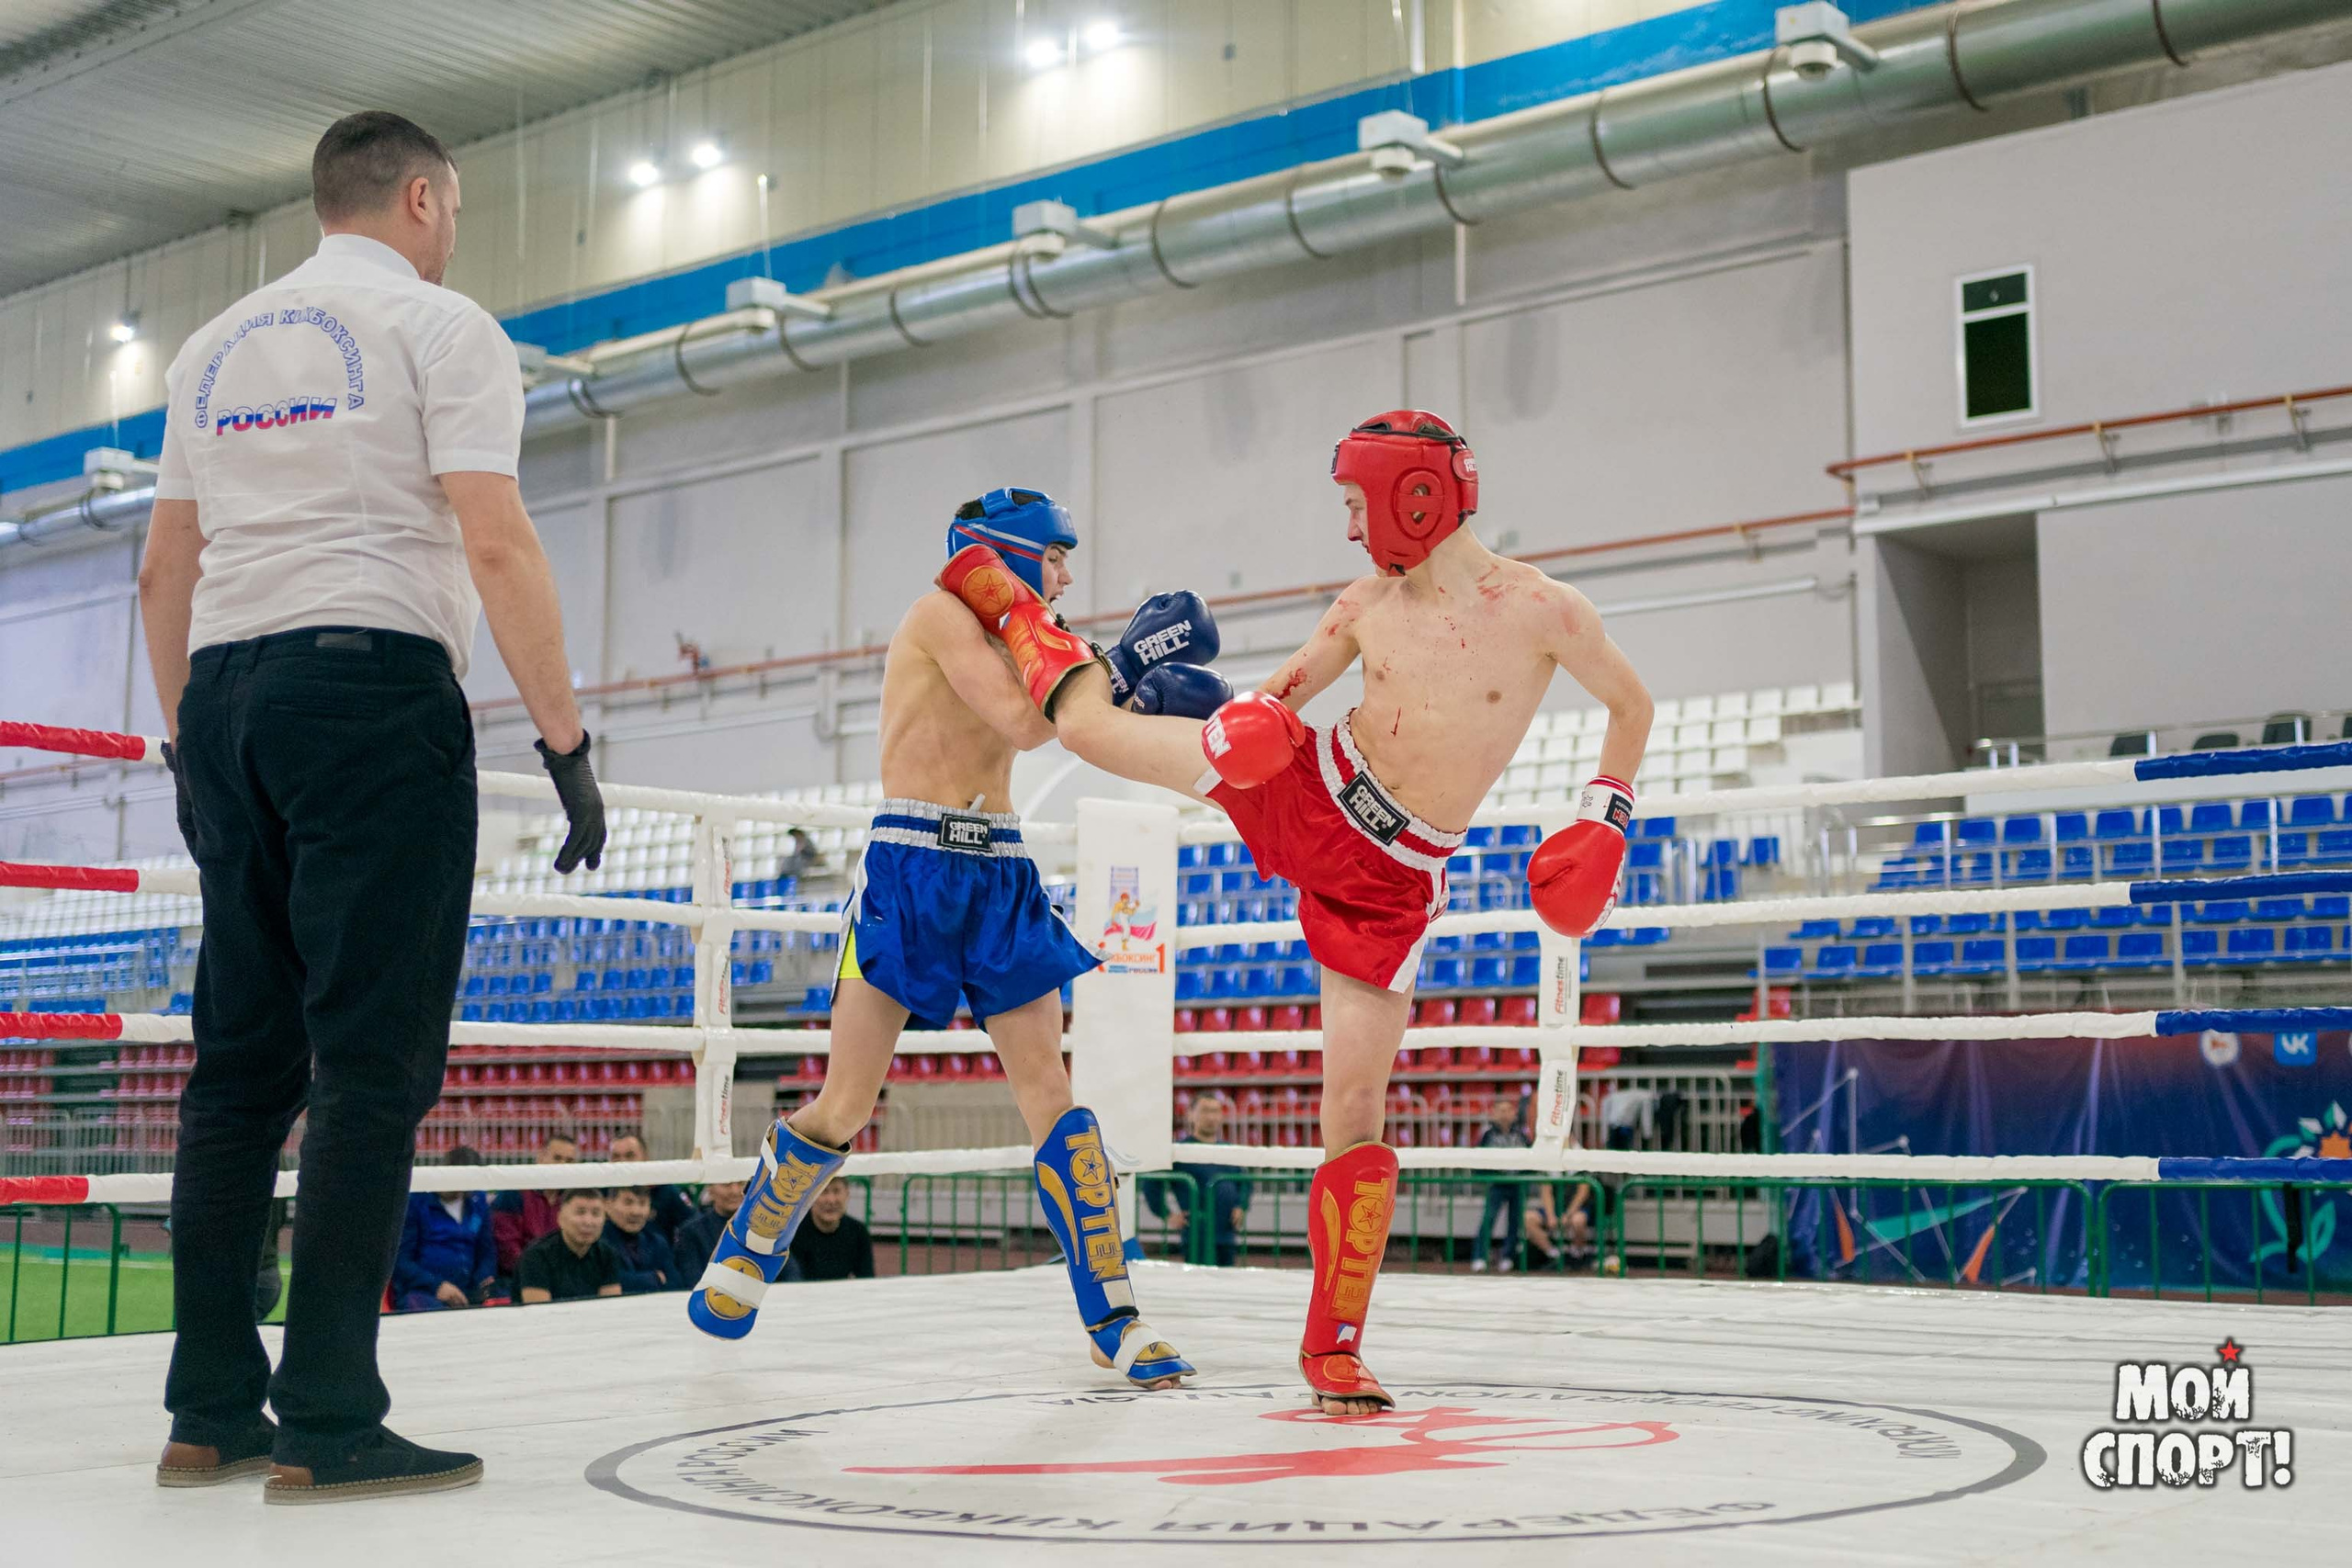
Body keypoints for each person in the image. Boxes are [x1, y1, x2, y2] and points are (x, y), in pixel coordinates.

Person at [938, 411, 1651, 1413]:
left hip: (1391, 877)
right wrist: (1241, 725)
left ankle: (1333, 1347)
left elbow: (1633, 705)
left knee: (1352, 1111)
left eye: (1359, 505)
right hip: (1308, 785)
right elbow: (1276, 701)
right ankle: (1040, 628)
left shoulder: (1545, 611)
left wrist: (1604, 817)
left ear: (1416, 495)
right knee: (1092, 738)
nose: (1354, 530)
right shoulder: (1363, 601)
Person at [138, 109, 606, 1502]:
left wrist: (187, 752)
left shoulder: (209, 348)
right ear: (419, 198)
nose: (450, 230)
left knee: (236, 1073)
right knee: (370, 1063)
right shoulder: (444, 329)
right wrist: (566, 738)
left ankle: (210, 1406)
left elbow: (166, 569)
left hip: (223, 694)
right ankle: (333, 1410)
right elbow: (493, 533)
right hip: (369, 683)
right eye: (449, 208)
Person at [685, 488, 1228, 1391]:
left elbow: (1074, 723)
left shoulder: (1034, 633)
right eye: (1051, 555)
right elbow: (1026, 720)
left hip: (1001, 871)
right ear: (1005, 551)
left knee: (1052, 1096)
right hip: (910, 866)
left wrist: (1133, 688)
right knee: (846, 1105)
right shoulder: (936, 616)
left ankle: (1114, 1319)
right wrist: (1122, 657)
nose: (1062, 573)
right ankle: (751, 1242)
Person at [1142, 1096, 1254, 1266]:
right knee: (1198, 1284)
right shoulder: (1180, 1151)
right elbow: (1151, 1183)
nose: (1211, 1117)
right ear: (1190, 1115)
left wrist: (1241, 1206)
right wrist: (1167, 1215)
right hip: (1196, 1235)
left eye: (1215, 1111)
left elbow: (1245, 1182)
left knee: (1227, 1282)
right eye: (1205, 1111)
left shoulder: (1229, 1151)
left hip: (1226, 1234)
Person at [390, 1146, 499, 1312]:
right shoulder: (415, 1203)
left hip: (469, 1292)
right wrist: (437, 1286)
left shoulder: (478, 1203)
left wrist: (482, 1281)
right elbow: (400, 1261)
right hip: (423, 1293)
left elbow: (487, 1252)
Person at [492, 1132, 578, 1276]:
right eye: (557, 1158)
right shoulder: (514, 1192)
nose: (563, 1165)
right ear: (540, 1158)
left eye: (569, 1161)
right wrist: (538, 1274)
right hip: (518, 1278)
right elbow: (507, 1248)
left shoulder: (573, 1198)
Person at [515, 1190, 624, 1303]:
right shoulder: (535, 1256)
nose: (588, 1222)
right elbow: (539, 1314)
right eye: (580, 1213)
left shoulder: (608, 1254)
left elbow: (610, 1308)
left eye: (596, 1214)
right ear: (560, 1218)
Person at [1471, 1096, 1530, 1273]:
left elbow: (1530, 1157)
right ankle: (1479, 1256)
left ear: (1514, 1113)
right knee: (1489, 1218)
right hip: (1496, 1183)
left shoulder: (1521, 1135)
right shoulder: (1487, 1135)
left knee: (1515, 1222)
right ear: (1494, 1114)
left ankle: (1508, 1256)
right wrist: (1487, 1176)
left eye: (1508, 1110)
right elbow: (1477, 1160)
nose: (1505, 1115)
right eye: (1501, 1111)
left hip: (1517, 1183)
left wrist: (1525, 1175)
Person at [607, 1133, 694, 1247]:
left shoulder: (666, 1191)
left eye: (630, 1156)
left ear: (645, 1158)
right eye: (616, 1157)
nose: (622, 1163)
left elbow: (694, 1225)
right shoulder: (601, 1192)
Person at [781, 1177, 874, 1282]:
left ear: (847, 1194)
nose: (831, 1200)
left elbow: (866, 1282)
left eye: (837, 1191)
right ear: (810, 1196)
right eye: (823, 1191)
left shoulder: (858, 1232)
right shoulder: (792, 1233)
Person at [601, 1185, 679, 1293]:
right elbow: (604, 1283)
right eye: (628, 1202)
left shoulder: (657, 1242)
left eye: (642, 1203)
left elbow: (675, 1284)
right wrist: (654, 1278)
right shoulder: (598, 1243)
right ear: (608, 1205)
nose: (636, 1212)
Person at [672, 1179, 742, 1282]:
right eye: (726, 1184)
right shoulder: (691, 1232)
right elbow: (693, 1280)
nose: (735, 1191)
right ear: (710, 1189)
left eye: (741, 1183)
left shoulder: (767, 1229)